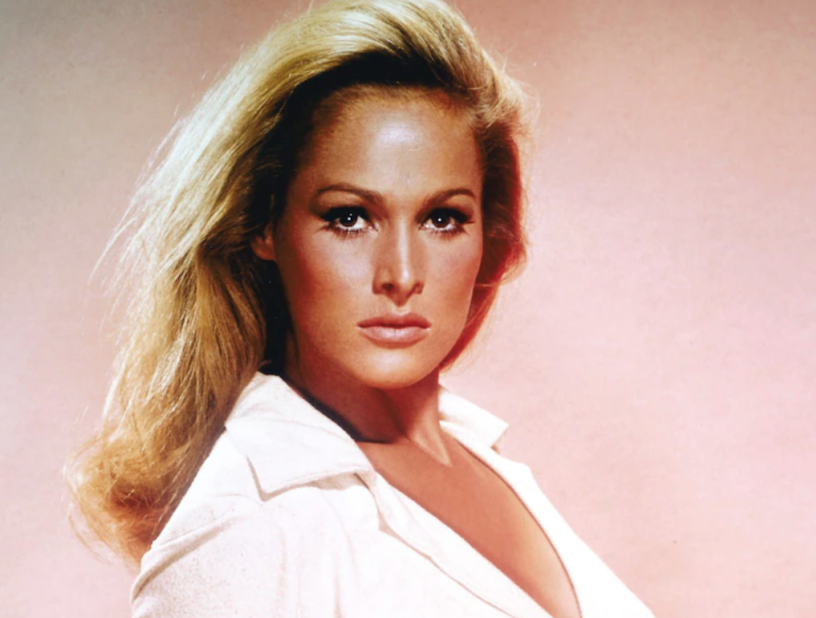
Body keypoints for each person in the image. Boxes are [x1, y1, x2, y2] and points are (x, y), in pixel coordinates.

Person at [69, 0, 655, 616]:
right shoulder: (247, 529)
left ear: (489, 235)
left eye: (442, 218)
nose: (401, 275)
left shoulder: (480, 454)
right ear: (263, 225)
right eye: (349, 217)